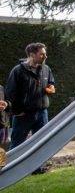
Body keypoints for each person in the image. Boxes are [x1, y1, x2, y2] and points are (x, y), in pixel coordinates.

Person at [6, 42, 55, 174]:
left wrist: (51, 88)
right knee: (18, 143)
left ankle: (37, 169)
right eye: (42, 54)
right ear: (32, 55)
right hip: (23, 115)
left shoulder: (46, 69)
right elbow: (11, 92)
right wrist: (17, 111)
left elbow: (51, 83)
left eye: (45, 54)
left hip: (42, 113)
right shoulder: (18, 71)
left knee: (40, 143)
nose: (45, 56)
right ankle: (10, 170)